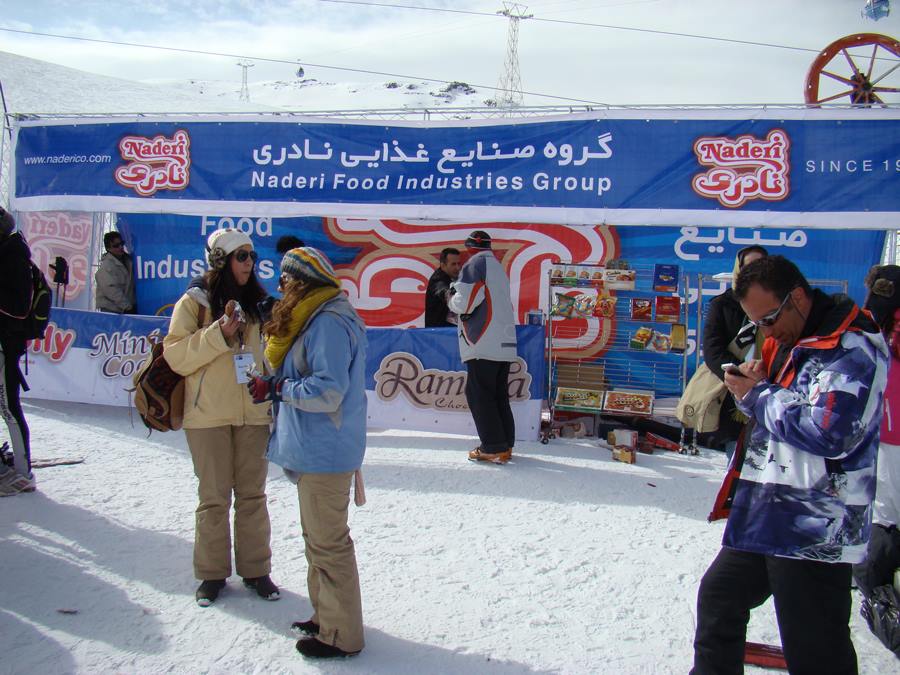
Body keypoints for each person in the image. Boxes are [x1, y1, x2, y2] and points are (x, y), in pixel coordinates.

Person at [692, 255, 888, 674]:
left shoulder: (854, 347)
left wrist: (759, 394)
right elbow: (783, 408)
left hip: (817, 522)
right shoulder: (793, 337)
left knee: (815, 647)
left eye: (769, 319)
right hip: (770, 512)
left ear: (797, 296)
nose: (766, 331)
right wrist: (758, 382)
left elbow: (831, 433)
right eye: (756, 323)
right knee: (719, 598)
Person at [247, 247, 367, 659]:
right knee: (316, 540)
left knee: (329, 543)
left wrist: (278, 389)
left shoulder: (328, 322)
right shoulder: (310, 317)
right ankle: (326, 617)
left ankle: (342, 636)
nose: (280, 287)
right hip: (313, 446)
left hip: (326, 449)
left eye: (286, 280)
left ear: (303, 282)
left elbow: (328, 391)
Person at [163, 228, 279, 607]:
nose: (249, 263)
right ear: (221, 260)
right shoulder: (194, 302)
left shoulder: (260, 303)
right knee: (213, 497)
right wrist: (219, 334)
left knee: (253, 495)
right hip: (207, 415)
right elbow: (176, 355)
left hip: (253, 414)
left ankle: (256, 570)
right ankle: (212, 574)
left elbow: (270, 354)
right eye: (241, 256)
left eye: (252, 255)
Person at [853, 264, 900, 656]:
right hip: (884, 430)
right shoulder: (880, 328)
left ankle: (877, 587)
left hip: (888, 433)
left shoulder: (880, 328)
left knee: (886, 512)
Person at [447, 231, 518, 464]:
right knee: (498, 395)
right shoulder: (496, 266)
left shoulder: (474, 265)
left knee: (479, 394)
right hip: (502, 340)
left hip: (483, 339)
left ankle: (493, 447)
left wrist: (450, 298)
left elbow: (466, 302)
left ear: (468, 247)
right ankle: (505, 444)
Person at [701, 245, 768, 451]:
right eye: (749, 267)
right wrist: (743, 376)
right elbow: (713, 351)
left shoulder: (779, 305)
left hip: (771, 392)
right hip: (733, 395)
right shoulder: (723, 305)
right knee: (737, 455)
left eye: (761, 266)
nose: (755, 272)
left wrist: (763, 377)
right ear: (739, 270)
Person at [0, 207, 36, 496]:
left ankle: (23, 473)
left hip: (5, 344)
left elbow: (20, 307)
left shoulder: (13, 256)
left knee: (8, 407)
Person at [95, 231, 136, 314]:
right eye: (116, 246)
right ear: (108, 249)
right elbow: (111, 290)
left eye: (122, 244)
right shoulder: (106, 266)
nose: (120, 247)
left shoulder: (128, 260)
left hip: (125, 309)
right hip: (112, 312)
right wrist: (127, 307)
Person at [424, 247, 461, 327]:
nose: (457, 268)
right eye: (453, 264)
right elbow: (441, 289)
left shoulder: (456, 276)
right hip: (438, 331)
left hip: (450, 329)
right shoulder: (437, 279)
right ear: (443, 265)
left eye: (459, 263)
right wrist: (449, 293)